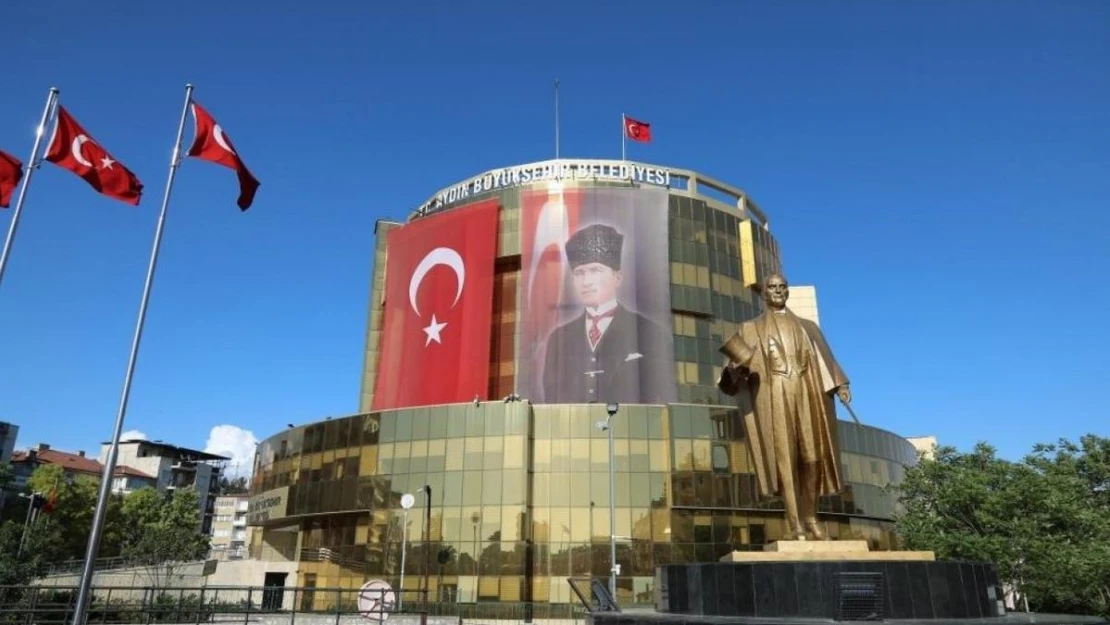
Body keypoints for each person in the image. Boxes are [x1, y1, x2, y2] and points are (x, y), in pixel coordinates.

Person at [717, 273, 852, 540]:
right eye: (772, 287)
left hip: (806, 392)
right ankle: (796, 524)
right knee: (785, 460)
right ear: (763, 294)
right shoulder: (750, 328)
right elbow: (729, 381)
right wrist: (736, 369)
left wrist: (842, 385)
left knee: (812, 458)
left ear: (787, 291)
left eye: (782, 287)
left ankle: (811, 516)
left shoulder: (808, 326)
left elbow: (826, 359)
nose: (778, 291)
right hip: (773, 394)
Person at [542, 223, 675, 404]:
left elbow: (661, 396)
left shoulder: (650, 332)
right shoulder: (558, 338)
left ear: (617, 278)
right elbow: (551, 400)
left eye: (595, 271)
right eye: (579, 273)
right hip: (574, 430)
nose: (586, 281)